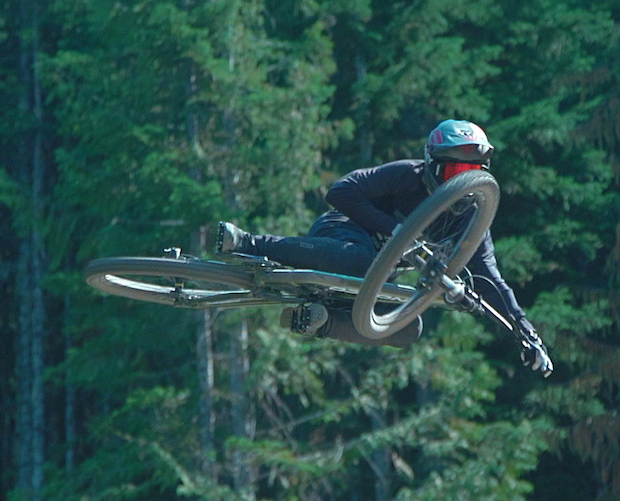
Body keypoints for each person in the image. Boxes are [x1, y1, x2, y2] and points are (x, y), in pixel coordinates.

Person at [217, 119, 553, 376]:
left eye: (472, 171)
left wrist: (527, 334)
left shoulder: (474, 217)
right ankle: (248, 242)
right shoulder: (407, 175)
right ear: (434, 166)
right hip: (344, 233)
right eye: (454, 171)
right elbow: (339, 192)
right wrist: (398, 232)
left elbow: (492, 281)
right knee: (363, 261)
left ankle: (321, 321)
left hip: (379, 272)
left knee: (408, 328)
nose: (461, 183)